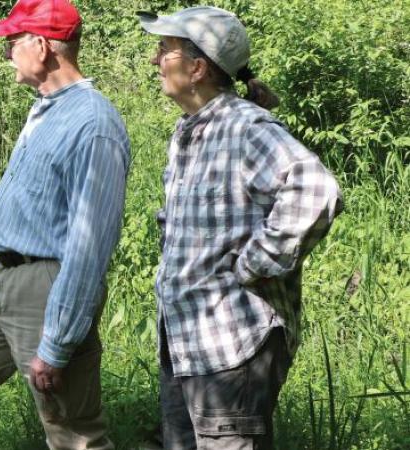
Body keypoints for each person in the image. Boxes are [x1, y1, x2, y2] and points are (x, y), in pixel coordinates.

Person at [0, 0, 131, 448]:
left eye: (13, 42)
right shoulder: (46, 108)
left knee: (73, 432)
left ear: (41, 46)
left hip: (46, 285)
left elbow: (89, 247)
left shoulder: (93, 123)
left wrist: (58, 341)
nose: (7, 53)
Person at [138, 7, 343, 449]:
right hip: (187, 340)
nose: (154, 59)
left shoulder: (244, 127)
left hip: (231, 341)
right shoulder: (189, 131)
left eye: (164, 49)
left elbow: (316, 191)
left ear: (196, 68)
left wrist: (256, 263)